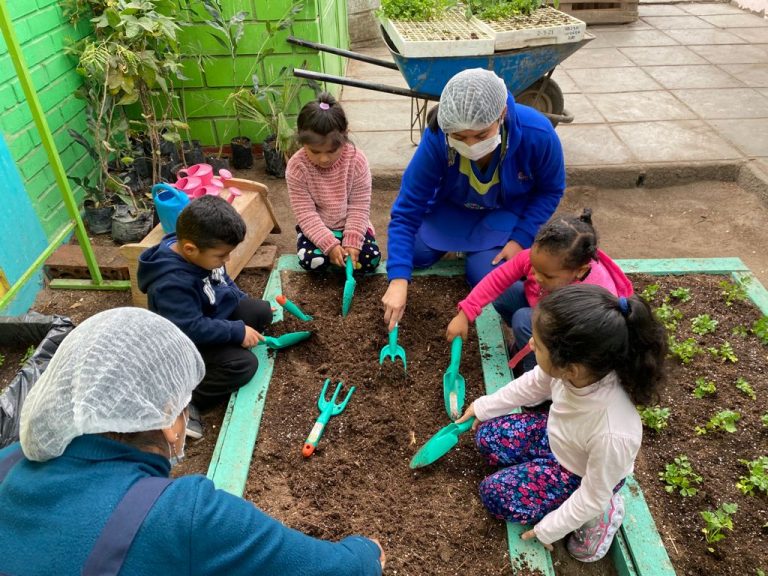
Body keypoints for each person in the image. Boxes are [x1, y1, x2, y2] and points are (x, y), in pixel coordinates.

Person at [0, 308, 385, 575]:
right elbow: (337, 570)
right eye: (187, 406)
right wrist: (368, 553)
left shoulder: (8, 460)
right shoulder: (185, 516)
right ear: (170, 419)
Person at [454, 285, 666, 562]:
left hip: (582, 475)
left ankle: (602, 517)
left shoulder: (614, 432)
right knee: (487, 436)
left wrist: (549, 529)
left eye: (538, 345)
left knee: (494, 494)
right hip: (559, 439)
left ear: (571, 368)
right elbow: (532, 384)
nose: (529, 344)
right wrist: (484, 405)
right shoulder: (576, 371)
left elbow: (592, 495)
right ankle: (540, 473)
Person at [382, 68, 566, 331]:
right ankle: (464, 246)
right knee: (415, 254)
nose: (470, 144)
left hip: (504, 213)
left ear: (501, 113)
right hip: (453, 209)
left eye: (481, 135)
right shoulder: (437, 138)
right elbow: (407, 209)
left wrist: (521, 238)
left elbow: (550, 190)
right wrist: (398, 279)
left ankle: (478, 252)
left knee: (488, 276)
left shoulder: (537, 133)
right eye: (459, 137)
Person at [138, 195, 273, 439]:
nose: (227, 260)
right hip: (186, 344)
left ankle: (232, 344)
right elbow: (190, 328)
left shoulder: (202, 251)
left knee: (260, 310)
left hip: (209, 317)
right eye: (222, 256)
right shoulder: (171, 283)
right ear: (190, 249)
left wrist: (241, 301)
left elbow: (223, 280)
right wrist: (236, 331)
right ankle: (186, 400)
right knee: (244, 365)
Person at [446, 209, 633, 372]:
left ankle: (535, 375)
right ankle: (526, 343)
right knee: (506, 292)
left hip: (573, 344)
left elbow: (586, 346)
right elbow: (497, 279)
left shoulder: (591, 296)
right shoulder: (544, 260)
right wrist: (465, 314)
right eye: (534, 268)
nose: (536, 276)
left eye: (547, 276)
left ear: (580, 271)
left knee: (524, 320)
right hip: (546, 308)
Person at [286, 92, 381, 273]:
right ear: (301, 139)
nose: (323, 159)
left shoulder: (356, 160)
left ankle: (341, 259)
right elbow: (306, 214)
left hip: (351, 225)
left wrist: (352, 241)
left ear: (345, 136)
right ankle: (332, 259)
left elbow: (359, 207)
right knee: (311, 261)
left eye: (332, 150)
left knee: (371, 259)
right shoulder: (297, 167)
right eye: (315, 151)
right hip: (317, 229)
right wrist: (329, 245)